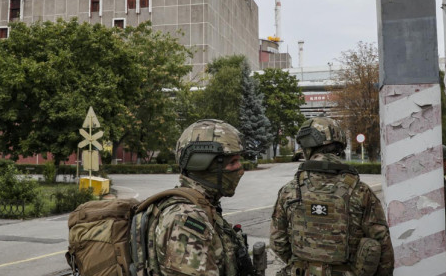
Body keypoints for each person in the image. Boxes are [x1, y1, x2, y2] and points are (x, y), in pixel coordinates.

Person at [270, 117, 394, 276]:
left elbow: (277, 242)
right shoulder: (361, 191)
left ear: (307, 147)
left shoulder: (290, 190)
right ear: (339, 146)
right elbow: (383, 246)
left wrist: (304, 265)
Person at [139, 119, 254, 276]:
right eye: (233, 162)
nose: (240, 170)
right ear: (202, 164)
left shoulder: (202, 205)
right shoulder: (185, 219)